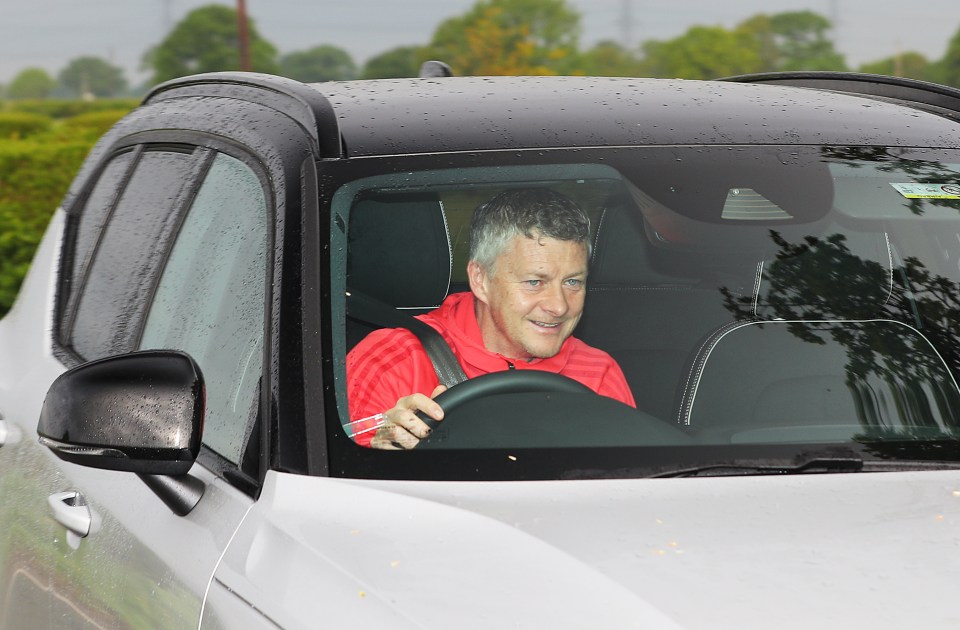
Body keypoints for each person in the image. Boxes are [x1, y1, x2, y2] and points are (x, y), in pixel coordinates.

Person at [346, 187, 636, 449]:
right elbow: (341, 494)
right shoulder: (392, 360)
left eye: (573, 282)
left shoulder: (599, 374)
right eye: (535, 282)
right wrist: (382, 451)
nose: (559, 307)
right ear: (480, 280)